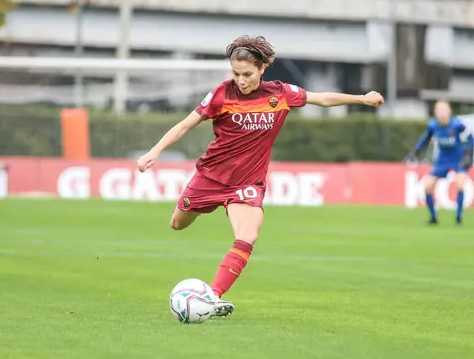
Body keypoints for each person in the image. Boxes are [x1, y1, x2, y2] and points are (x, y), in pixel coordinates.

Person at [137, 35, 384, 318]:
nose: (241, 81)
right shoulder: (222, 94)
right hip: (210, 177)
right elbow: (184, 126)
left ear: (263, 68)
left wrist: (362, 99)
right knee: (177, 224)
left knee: (248, 235)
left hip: (247, 184)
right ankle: (202, 214)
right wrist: (154, 151)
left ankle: (212, 297)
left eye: (247, 74)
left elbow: (322, 98)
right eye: (236, 74)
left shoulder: (281, 94)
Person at [405, 100, 474, 226]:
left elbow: (471, 137)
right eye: (439, 110)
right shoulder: (433, 125)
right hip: (442, 159)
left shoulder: (457, 125)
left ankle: (458, 218)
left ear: (449, 112)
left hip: (458, 159)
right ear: (435, 112)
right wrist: (415, 152)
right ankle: (433, 217)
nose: (442, 113)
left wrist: (468, 155)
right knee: (427, 187)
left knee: (459, 185)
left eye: (444, 110)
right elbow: (425, 139)